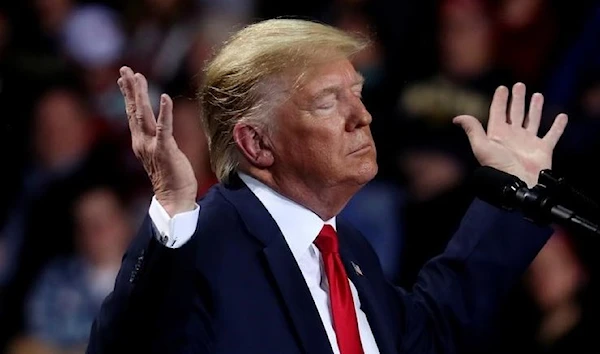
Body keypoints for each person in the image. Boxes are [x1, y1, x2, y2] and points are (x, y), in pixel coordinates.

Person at [86, 19, 568, 354]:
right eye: (327, 103)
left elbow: (427, 335)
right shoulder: (208, 240)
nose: (362, 117)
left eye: (357, 93)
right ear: (256, 142)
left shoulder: (345, 250)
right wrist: (172, 210)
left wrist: (512, 195)